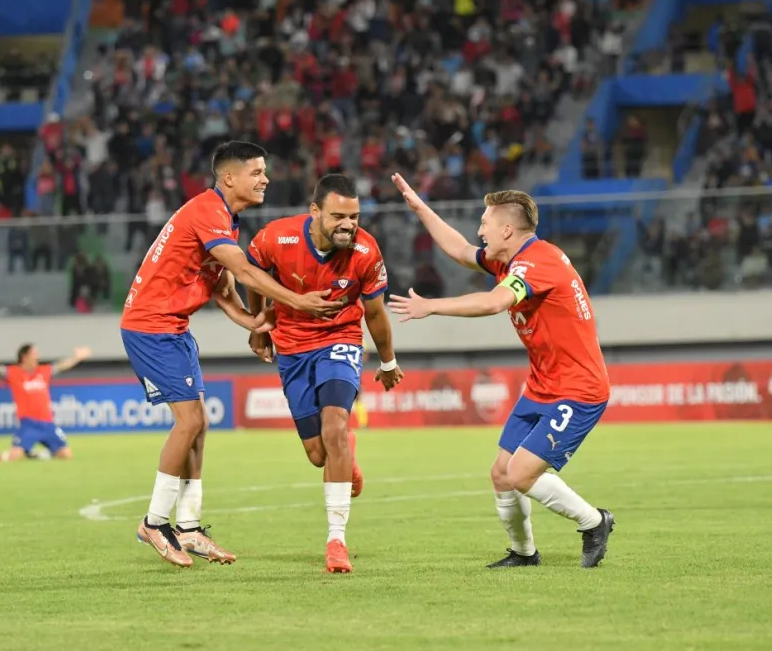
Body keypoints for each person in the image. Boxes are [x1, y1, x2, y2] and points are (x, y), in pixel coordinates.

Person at [120, 141, 343, 569]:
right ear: (229, 177)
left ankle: (187, 526)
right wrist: (299, 303)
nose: (266, 179)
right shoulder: (207, 211)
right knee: (189, 422)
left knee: (199, 424)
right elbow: (241, 271)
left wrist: (252, 323)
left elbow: (221, 285)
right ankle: (154, 522)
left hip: (174, 328)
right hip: (151, 328)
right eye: (257, 172)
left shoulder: (224, 216)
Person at [387, 174, 615, 569]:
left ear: (507, 229)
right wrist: (421, 208)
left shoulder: (538, 262)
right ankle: (524, 554)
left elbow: (495, 303)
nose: (479, 231)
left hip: (578, 390)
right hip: (543, 386)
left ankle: (595, 522)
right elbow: (460, 250)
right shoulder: (511, 258)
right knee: (500, 473)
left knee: (521, 474)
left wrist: (432, 306)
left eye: (485, 224)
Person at [246, 174, 403, 573]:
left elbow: (375, 313)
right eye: (338, 216)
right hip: (293, 347)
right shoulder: (275, 238)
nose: (348, 225)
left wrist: (387, 362)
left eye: (354, 216)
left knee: (333, 429)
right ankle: (344, 455)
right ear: (314, 211)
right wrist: (259, 322)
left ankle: (336, 541)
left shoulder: (366, 251)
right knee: (319, 454)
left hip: (341, 339)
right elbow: (253, 273)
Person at [0, 344, 91, 462]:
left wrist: (77, 357)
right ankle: (8, 456)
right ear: (25, 357)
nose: (37, 356)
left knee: (66, 455)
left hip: (47, 423)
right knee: (15, 456)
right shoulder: (13, 373)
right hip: (29, 424)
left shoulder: (44, 371)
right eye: (34, 353)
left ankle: (35, 454)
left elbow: (62, 365)